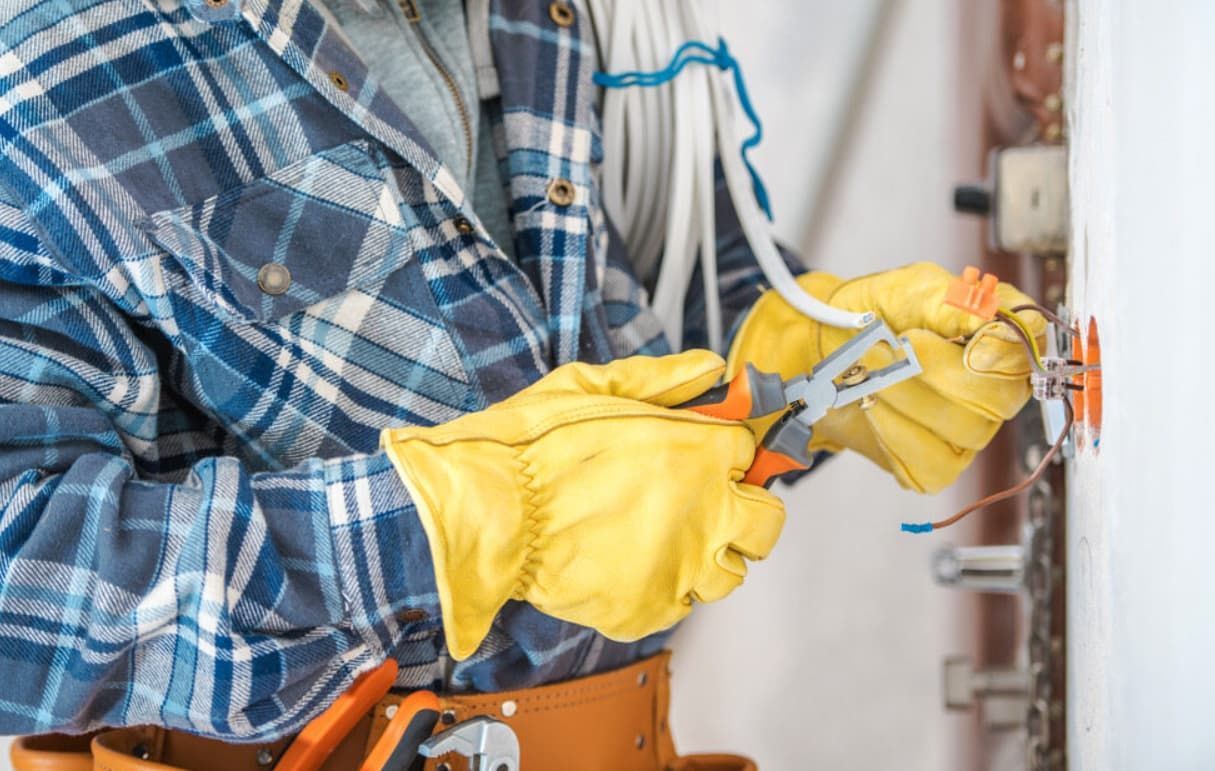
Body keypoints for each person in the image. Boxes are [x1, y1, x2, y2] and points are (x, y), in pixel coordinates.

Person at [0, 0, 1043, 768]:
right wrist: (460, 532)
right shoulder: (45, 74)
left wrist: (802, 356)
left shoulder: (567, 17)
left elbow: (638, 306)